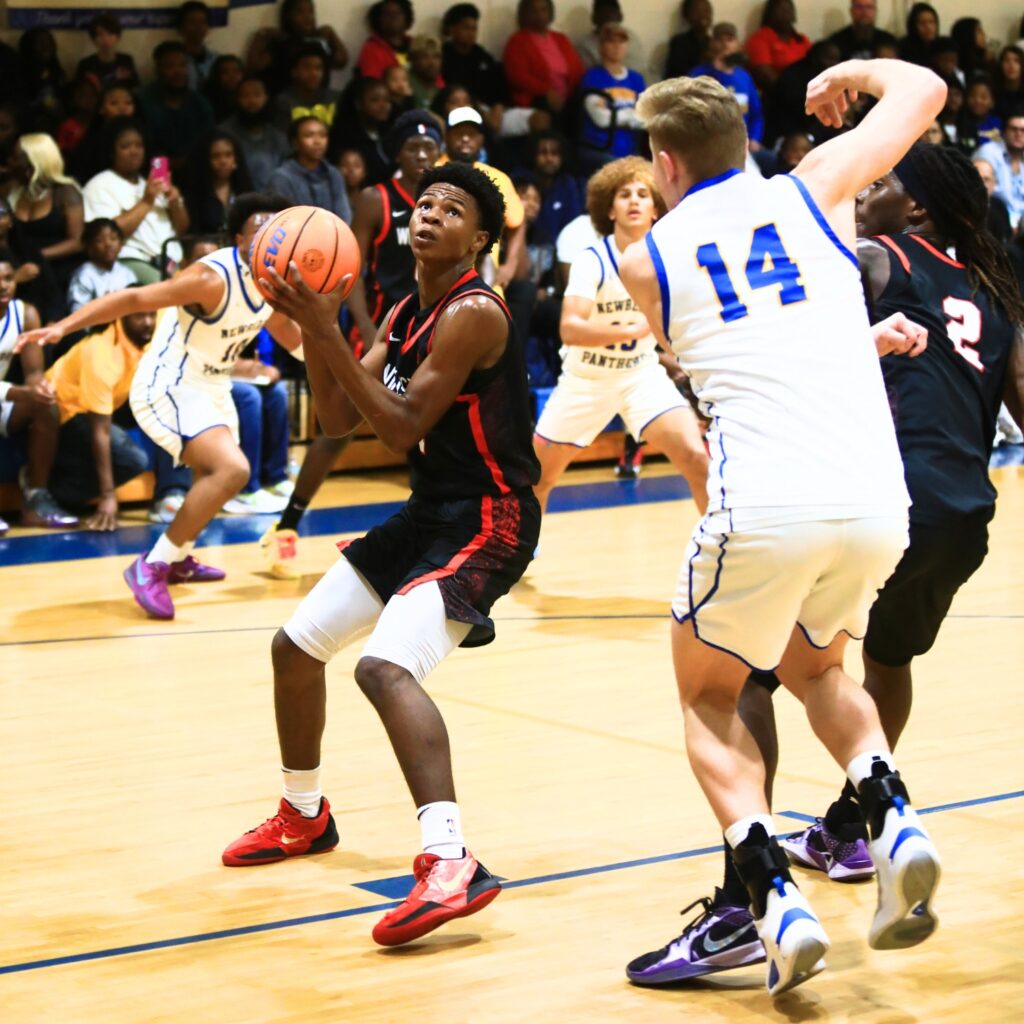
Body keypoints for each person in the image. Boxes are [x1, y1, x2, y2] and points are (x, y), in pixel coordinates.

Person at [653, 142, 1024, 985]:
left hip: (865, 486)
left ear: (918, 210)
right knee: (875, 662)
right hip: (962, 512)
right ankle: (862, 828)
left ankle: (744, 902)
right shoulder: (996, 291)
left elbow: (786, 334)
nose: (866, 187)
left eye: (885, 182)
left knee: (743, 683)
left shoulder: (867, 255)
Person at [619, 60, 947, 995]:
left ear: (666, 162)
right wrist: (851, 71)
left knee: (709, 699)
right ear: (746, 142)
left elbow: (717, 352)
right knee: (820, 670)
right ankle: (891, 814)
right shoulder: (818, 188)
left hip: (765, 499)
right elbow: (923, 91)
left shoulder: (647, 258)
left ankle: (772, 897)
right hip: (878, 498)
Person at [223, 163, 541, 952]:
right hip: (431, 511)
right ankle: (305, 814)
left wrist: (329, 328)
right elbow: (335, 418)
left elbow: (398, 429)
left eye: (453, 209)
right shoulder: (404, 310)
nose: (430, 214)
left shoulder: (474, 312)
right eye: (425, 203)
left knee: (383, 667)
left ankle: (448, 861)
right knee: (294, 649)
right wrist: (311, 333)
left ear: (480, 237)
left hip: (490, 518)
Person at [15, 193, 302, 621]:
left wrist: (346, 361)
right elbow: (133, 299)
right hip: (169, 381)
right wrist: (62, 327)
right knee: (232, 470)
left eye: (276, 230)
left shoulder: (272, 285)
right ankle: (150, 565)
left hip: (212, 384)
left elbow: (292, 337)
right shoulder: (212, 278)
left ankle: (180, 555)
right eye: (258, 229)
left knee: (215, 479)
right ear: (239, 236)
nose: (268, 237)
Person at [261, 110, 440, 579]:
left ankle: (430, 530)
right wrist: (361, 322)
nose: (421, 154)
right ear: (397, 153)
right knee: (334, 431)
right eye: (412, 147)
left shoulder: (445, 204)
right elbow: (353, 263)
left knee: (429, 429)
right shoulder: (374, 199)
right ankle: (288, 526)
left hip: (432, 329)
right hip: (380, 324)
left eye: (429, 147)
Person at [532, 157, 707, 515]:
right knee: (536, 478)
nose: (633, 201)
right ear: (608, 209)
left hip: (640, 376)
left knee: (695, 456)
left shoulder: (667, 260)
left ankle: (722, 542)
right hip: (587, 380)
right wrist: (632, 329)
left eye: (643, 194)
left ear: (655, 208)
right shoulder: (591, 260)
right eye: (624, 194)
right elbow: (570, 328)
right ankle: (514, 553)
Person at [45, 309, 155, 530]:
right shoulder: (102, 352)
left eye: (152, 316)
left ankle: (175, 493)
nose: (148, 322)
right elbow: (100, 430)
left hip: (103, 408)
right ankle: (49, 492)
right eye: (139, 316)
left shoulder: (145, 339)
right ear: (120, 317)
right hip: (61, 413)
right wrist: (108, 496)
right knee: (133, 459)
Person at [0, 250, 77, 533]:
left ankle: (36, 498)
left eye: (8, 278)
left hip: (4, 400)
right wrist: (21, 393)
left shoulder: (26, 313)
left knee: (46, 404)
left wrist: (39, 390)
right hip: (6, 395)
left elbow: (33, 373)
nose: (3, 285)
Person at [82, 118, 190, 285]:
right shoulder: (99, 185)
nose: (134, 151)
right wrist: (146, 202)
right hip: (132, 260)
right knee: (168, 290)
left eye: (139, 146)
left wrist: (175, 203)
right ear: (112, 151)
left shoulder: (151, 182)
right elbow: (108, 234)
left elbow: (182, 229)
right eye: (125, 146)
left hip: (171, 260)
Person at [5, 134, 85, 312]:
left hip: (58, 270)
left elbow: (77, 242)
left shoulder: (65, 192)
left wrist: (38, 256)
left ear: (33, 162)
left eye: (16, 157)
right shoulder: (13, 191)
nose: (11, 161)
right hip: (20, 267)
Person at [578, 23, 646, 170]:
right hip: (600, 151)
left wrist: (617, 115)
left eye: (621, 41)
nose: (617, 46)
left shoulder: (636, 79)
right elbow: (601, 119)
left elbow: (646, 119)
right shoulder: (592, 78)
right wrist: (630, 116)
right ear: (601, 46)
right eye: (610, 41)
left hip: (631, 151)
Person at [137, 41, 215, 167]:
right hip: (156, 170)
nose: (178, 71)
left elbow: (209, 142)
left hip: (196, 168)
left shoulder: (199, 103)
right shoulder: (143, 101)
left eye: (182, 65)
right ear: (158, 70)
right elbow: (144, 148)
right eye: (170, 66)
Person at [503, 0, 585, 117]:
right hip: (537, 100)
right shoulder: (517, 41)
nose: (540, 15)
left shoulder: (561, 39)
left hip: (568, 98)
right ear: (525, 14)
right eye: (534, 11)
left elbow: (577, 69)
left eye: (544, 10)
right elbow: (517, 76)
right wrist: (546, 91)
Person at [690, 24, 764, 148]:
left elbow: (757, 114)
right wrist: (717, 70)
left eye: (730, 40)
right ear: (711, 44)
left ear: (738, 45)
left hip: (741, 144)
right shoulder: (699, 74)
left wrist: (754, 138)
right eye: (719, 40)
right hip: (708, 144)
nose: (725, 45)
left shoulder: (744, 77)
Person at [268, 117, 352, 224]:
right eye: (309, 136)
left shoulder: (333, 174)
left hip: (334, 236)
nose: (317, 141)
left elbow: (344, 217)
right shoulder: (281, 178)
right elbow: (284, 221)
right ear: (295, 142)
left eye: (322, 135)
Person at [218, 76, 291, 193]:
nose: (251, 101)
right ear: (237, 99)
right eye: (245, 96)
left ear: (266, 98)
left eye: (257, 95)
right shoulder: (223, 133)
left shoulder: (278, 138)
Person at [184, 131, 253, 234]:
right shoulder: (195, 193)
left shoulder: (245, 190)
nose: (223, 161)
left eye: (228, 155)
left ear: (236, 159)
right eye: (216, 156)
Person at [67, 217, 136, 312]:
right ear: (89, 247)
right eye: (99, 240)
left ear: (121, 244)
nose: (108, 244)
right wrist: (102, 306)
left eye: (113, 238)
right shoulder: (85, 274)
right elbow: (77, 312)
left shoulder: (126, 272)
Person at [745, 0, 812, 93]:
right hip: (778, 95)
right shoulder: (759, 39)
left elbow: (814, 67)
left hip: (807, 92)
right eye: (780, 9)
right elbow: (766, 76)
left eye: (788, 9)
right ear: (770, 14)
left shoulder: (802, 40)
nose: (785, 13)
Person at [973, 111, 1024, 231]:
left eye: (1023, 130)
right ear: (1004, 132)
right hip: (994, 220)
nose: (1018, 134)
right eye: (1014, 129)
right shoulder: (988, 153)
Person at [272, 44, 340, 133]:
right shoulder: (283, 101)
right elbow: (282, 140)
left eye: (318, 68)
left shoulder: (336, 98)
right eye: (307, 67)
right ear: (294, 72)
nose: (314, 73)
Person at [75, 13, 138, 92]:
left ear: (118, 37)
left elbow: (135, 89)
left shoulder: (126, 61)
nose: (105, 39)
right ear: (93, 39)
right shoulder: (85, 65)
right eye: (100, 34)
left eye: (110, 34)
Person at [357, 0, 415, 79]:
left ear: (407, 17)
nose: (393, 17)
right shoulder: (371, 48)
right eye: (387, 14)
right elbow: (373, 83)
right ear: (378, 19)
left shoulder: (416, 45)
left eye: (398, 13)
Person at [828, 1, 896, 62]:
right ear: (851, 11)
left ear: (875, 11)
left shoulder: (888, 40)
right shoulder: (837, 41)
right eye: (859, 7)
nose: (864, 12)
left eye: (869, 7)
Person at [664, 0, 713, 79]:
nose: (703, 15)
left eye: (707, 11)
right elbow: (675, 75)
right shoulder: (680, 42)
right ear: (686, 16)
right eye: (697, 12)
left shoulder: (714, 43)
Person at [177, 1, 220, 91]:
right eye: (192, 22)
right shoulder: (174, 61)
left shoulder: (216, 59)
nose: (198, 27)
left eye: (202, 22)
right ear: (181, 27)